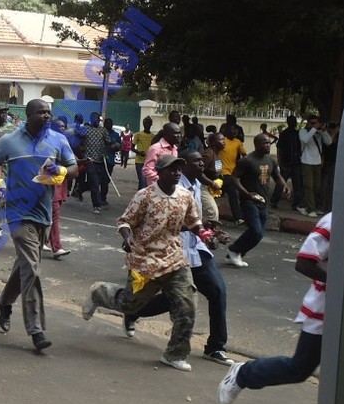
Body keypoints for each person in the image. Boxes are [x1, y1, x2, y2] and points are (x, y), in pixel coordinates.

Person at [82, 154, 212, 372]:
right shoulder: (145, 196)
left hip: (174, 258)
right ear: (159, 172)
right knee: (130, 305)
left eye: (179, 169)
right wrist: (127, 237)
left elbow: (193, 222)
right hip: (146, 261)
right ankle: (99, 292)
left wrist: (206, 234)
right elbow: (125, 222)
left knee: (187, 304)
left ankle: (174, 354)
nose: (177, 173)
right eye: (172, 169)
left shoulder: (185, 196)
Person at [124, 151, 234, 366]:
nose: (202, 163)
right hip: (172, 253)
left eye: (201, 160)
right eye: (196, 161)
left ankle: (215, 347)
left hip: (196, 250)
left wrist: (208, 232)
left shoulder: (195, 187)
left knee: (216, 292)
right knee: (170, 300)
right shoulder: (170, 187)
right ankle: (132, 311)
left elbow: (195, 223)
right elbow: (160, 224)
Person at [0, 98, 77, 351]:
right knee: (33, 270)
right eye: (41, 112)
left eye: (49, 112)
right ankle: (36, 329)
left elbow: (74, 168)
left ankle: (4, 302)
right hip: (17, 214)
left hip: (43, 214)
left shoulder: (58, 140)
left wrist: (60, 171)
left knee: (25, 268)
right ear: (28, 115)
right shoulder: (10, 140)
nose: (47, 116)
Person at [219, 213, 331, 404]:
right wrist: (343, 283)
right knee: (301, 367)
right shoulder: (336, 221)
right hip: (324, 308)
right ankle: (243, 374)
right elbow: (304, 262)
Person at [226, 134, 289, 267]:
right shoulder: (247, 160)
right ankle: (234, 250)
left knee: (259, 235)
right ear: (257, 144)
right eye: (264, 143)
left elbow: (277, 176)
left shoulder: (271, 160)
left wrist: (284, 186)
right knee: (255, 231)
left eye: (269, 143)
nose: (267, 145)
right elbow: (234, 178)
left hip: (263, 202)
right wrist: (247, 194)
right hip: (248, 201)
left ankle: (237, 252)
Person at [46, 118, 71, 259]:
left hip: (61, 184)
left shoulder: (63, 142)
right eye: (60, 127)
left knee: (52, 214)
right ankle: (57, 247)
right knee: (54, 215)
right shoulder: (47, 143)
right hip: (49, 183)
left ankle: (43, 240)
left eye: (64, 127)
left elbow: (71, 162)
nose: (63, 129)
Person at [298, 115, 331, 217]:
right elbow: (305, 140)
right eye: (312, 123)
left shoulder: (318, 133)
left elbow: (329, 142)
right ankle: (310, 209)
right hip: (306, 161)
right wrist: (314, 128)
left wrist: (323, 131)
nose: (315, 125)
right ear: (308, 123)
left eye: (316, 123)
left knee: (317, 187)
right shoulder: (303, 132)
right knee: (309, 186)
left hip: (317, 162)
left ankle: (302, 205)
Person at [271, 115, 303, 210]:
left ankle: (296, 204)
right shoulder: (284, 134)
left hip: (296, 162)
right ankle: (274, 201)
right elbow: (279, 149)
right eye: (292, 121)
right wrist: (280, 161)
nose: (293, 123)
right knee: (281, 183)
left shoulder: (298, 134)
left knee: (297, 185)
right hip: (286, 162)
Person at [83, 112, 111, 214]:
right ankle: (97, 205)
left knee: (99, 182)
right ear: (91, 119)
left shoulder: (103, 130)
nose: (96, 121)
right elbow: (79, 141)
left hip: (101, 161)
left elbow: (109, 142)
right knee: (94, 183)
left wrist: (107, 150)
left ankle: (80, 188)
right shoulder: (86, 130)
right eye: (94, 119)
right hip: (90, 161)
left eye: (98, 119)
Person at [219, 124, 246, 224]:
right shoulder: (222, 140)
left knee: (219, 193)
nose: (234, 132)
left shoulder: (238, 142)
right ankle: (238, 217)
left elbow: (244, 155)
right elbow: (217, 155)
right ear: (227, 131)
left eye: (236, 130)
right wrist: (218, 170)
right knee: (233, 193)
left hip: (233, 172)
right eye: (233, 129)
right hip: (223, 172)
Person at [142, 122, 181, 187]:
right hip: (156, 189)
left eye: (179, 133)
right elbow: (147, 170)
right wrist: (162, 180)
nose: (179, 136)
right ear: (166, 134)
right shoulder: (156, 148)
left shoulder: (175, 149)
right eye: (176, 133)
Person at [132, 116, 154, 189]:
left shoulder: (153, 136)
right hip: (139, 161)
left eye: (148, 123)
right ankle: (141, 197)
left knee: (147, 182)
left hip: (149, 162)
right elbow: (132, 147)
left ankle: (141, 195)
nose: (146, 125)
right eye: (145, 123)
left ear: (151, 124)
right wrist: (139, 152)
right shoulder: (138, 135)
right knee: (142, 180)